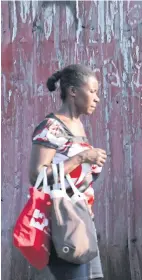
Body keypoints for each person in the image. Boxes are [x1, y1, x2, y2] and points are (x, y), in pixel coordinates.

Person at [28, 64, 107, 280]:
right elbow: (37, 176)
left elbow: (73, 175)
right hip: (62, 222)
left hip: (81, 220)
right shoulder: (51, 127)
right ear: (73, 91)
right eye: (92, 91)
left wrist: (92, 168)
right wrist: (81, 158)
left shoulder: (77, 126)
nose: (97, 98)